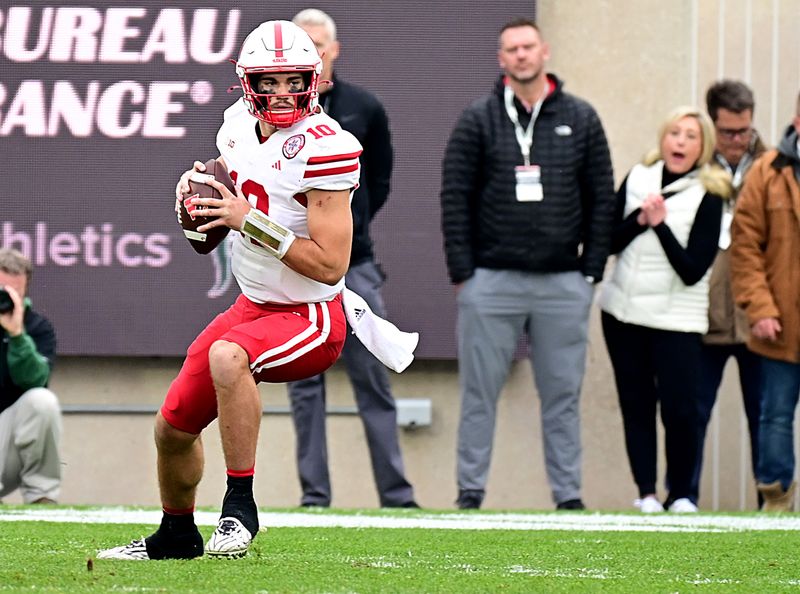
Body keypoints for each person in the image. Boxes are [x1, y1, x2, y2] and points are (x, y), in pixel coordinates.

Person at [98, 20, 362, 560]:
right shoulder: (238, 124)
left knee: (226, 355)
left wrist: (247, 220)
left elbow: (331, 265)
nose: (283, 93)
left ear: (314, 80)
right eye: (271, 82)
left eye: (294, 81)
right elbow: (232, 178)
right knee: (172, 426)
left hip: (311, 314)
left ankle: (240, 507)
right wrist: (200, 191)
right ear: (248, 83)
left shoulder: (328, 147)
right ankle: (176, 534)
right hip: (252, 304)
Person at [440, 18, 615, 511]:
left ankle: (569, 497)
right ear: (501, 59)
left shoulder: (580, 118)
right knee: (479, 394)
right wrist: (464, 274)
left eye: (528, 47)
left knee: (562, 396)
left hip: (563, 282)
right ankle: (470, 494)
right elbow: (455, 197)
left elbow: (602, 196)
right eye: (511, 49)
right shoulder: (477, 118)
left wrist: (590, 272)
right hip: (491, 282)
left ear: (545, 52)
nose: (520, 55)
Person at [285, 8, 416, 509]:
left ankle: (397, 496)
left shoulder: (364, 107)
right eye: (303, 46)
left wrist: (346, 229)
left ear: (335, 49)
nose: (313, 54)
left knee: (372, 377)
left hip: (353, 263)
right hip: (293, 265)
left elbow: (379, 181)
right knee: (303, 388)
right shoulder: (275, 112)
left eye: (320, 46)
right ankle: (315, 495)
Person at [599, 106, 731, 513]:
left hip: (676, 321)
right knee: (636, 404)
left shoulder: (712, 192)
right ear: (663, 138)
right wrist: (641, 220)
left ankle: (683, 494)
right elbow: (608, 242)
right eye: (675, 132)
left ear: (703, 146)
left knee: (680, 409)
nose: (680, 142)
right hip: (623, 315)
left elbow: (693, 269)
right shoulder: (639, 176)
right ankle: (646, 492)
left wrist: (660, 224)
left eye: (691, 136)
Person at [693, 80, 767, 506]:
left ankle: (771, 503)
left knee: (764, 417)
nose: (737, 141)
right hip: (704, 316)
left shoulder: (772, 165)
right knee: (694, 413)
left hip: (758, 318)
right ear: (713, 125)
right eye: (728, 132)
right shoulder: (695, 163)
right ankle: (683, 499)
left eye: (744, 131)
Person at [730, 91, 800, 512]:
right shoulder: (766, 172)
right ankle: (776, 497)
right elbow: (745, 246)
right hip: (780, 323)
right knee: (774, 416)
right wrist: (759, 309)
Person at [0, 248, 60, 505]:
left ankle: (41, 494)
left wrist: (17, 337)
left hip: (6, 448)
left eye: (14, 293)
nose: (6, 299)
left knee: (42, 400)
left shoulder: (37, 328)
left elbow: (35, 380)